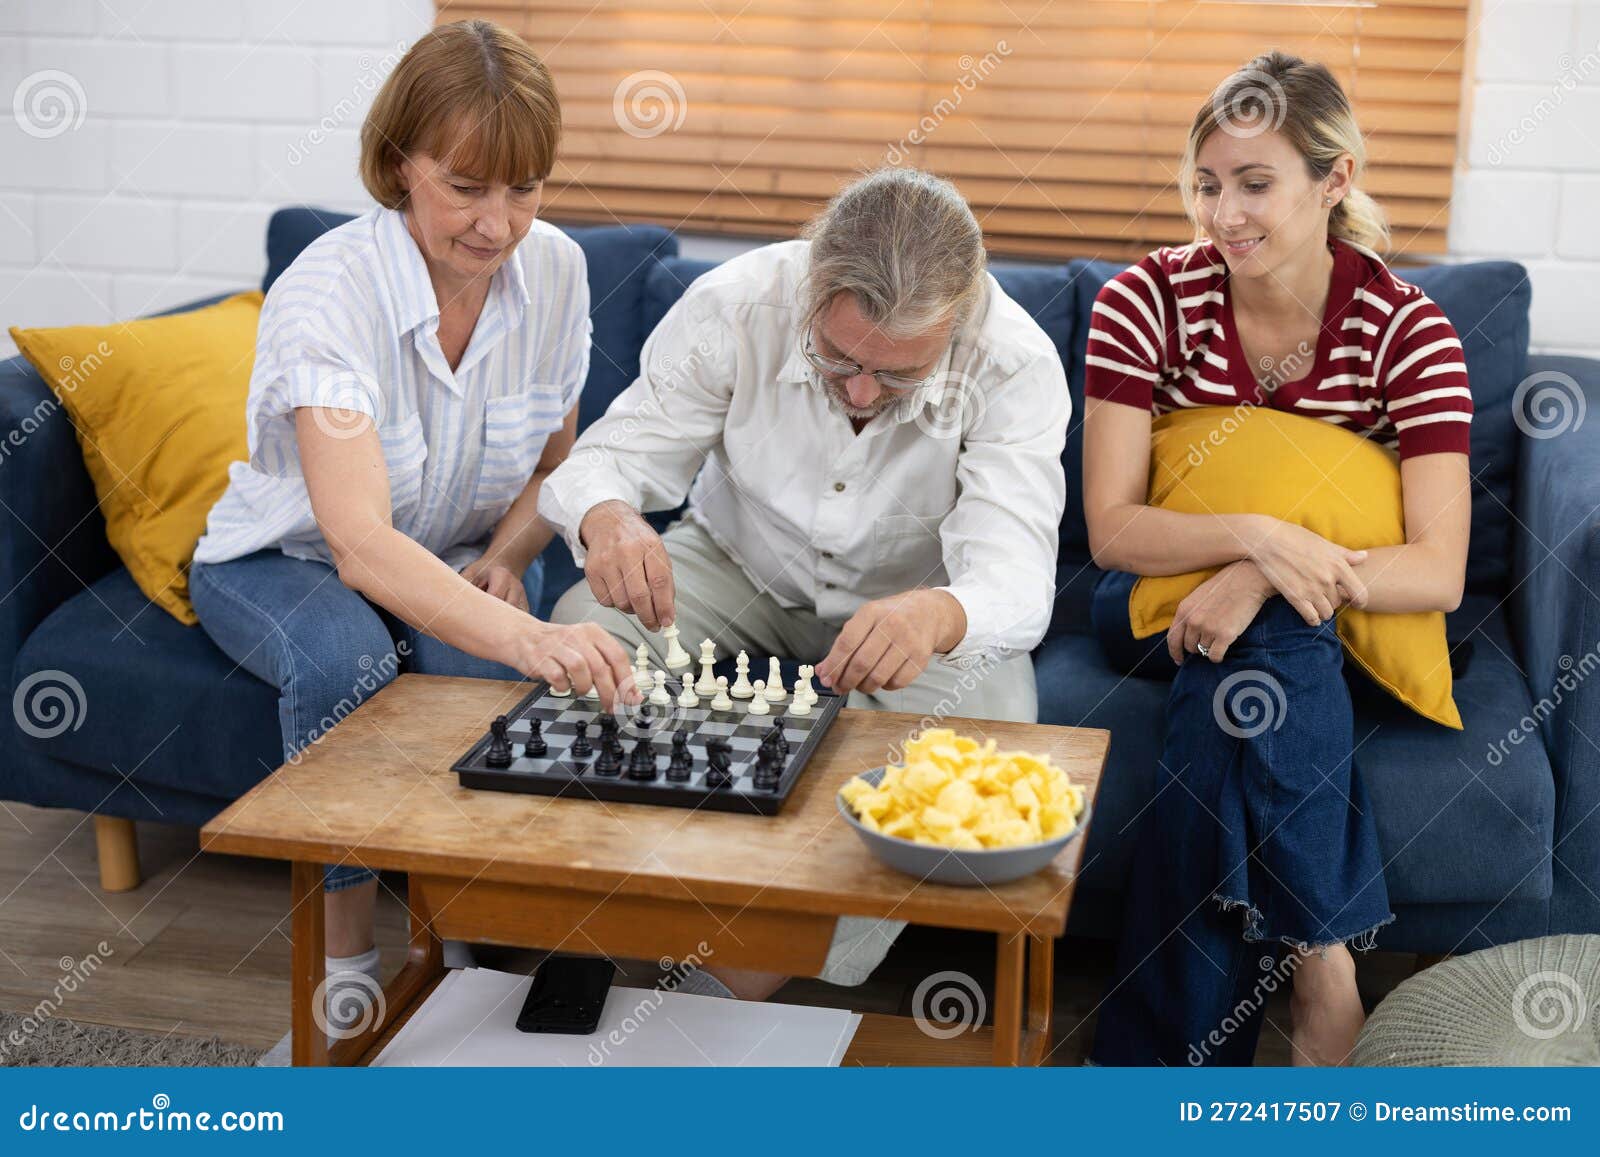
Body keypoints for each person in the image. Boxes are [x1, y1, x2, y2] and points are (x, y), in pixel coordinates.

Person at [189, 20, 632, 1032]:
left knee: (479, 678)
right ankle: (348, 961)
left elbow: (553, 460)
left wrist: (508, 558)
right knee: (348, 662)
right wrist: (537, 634)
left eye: (523, 188)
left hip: (440, 553)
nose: (498, 223)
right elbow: (355, 542)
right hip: (285, 555)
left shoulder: (556, 269)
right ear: (400, 165)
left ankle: (456, 935)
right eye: (466, 186)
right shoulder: (327, 294)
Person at [538, 167, 1070, 997]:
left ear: (959, 322)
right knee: (584, 632)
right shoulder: (733, 306)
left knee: (994, 712)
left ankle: (747, 970)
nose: (861, 391)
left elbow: (1017, 575)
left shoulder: (1016, 364)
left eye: (898, 377)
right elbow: (605, 461)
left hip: (914, 603)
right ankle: (606, 918)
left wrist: (940, 611)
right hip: (736, 565)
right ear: (811, 289)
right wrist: (608, 515)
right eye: (839, 357)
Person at [1082, 51, 1472, 1066]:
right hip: (1148, 604)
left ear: (1333, 178)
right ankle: (1326, 968)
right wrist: (1257, 534)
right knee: (1276, 644)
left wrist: (1259, 573)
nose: (1223, 214)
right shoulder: (1142, 301)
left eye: (1255, 184)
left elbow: (1436, 570)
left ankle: (1157, 1072)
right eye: (1207, 184)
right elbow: (1112, 530)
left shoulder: (1407, 331)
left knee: (1248, 674)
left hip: (1289, 622)